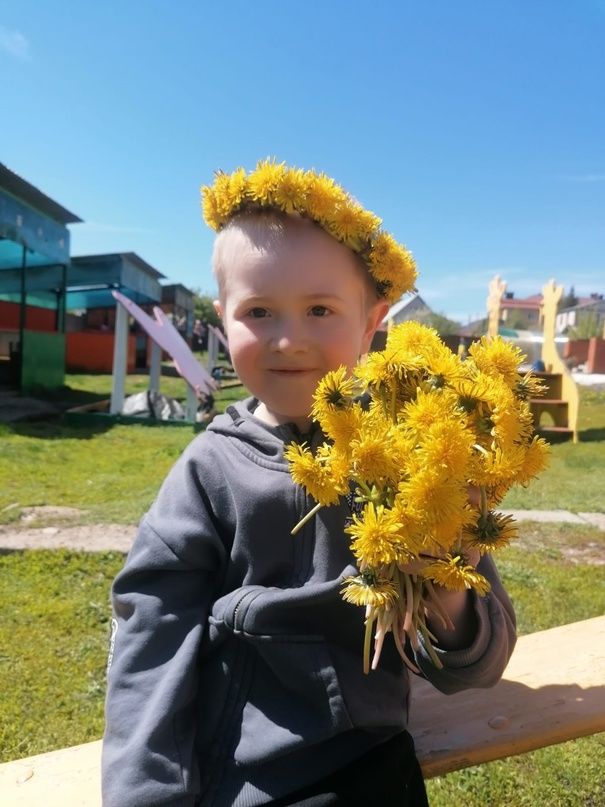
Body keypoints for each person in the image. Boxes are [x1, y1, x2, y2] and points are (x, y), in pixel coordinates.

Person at [102, 161, 516, 807]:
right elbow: (150, 637)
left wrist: (446, 573)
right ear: (222, 319)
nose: (288, 339)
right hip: (240, 775)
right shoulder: (209, 469)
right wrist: (146, 793)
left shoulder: (417, 459)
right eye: (259, 310)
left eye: (319, 309)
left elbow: (474, 667)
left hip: (373, 761)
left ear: (371, 320)